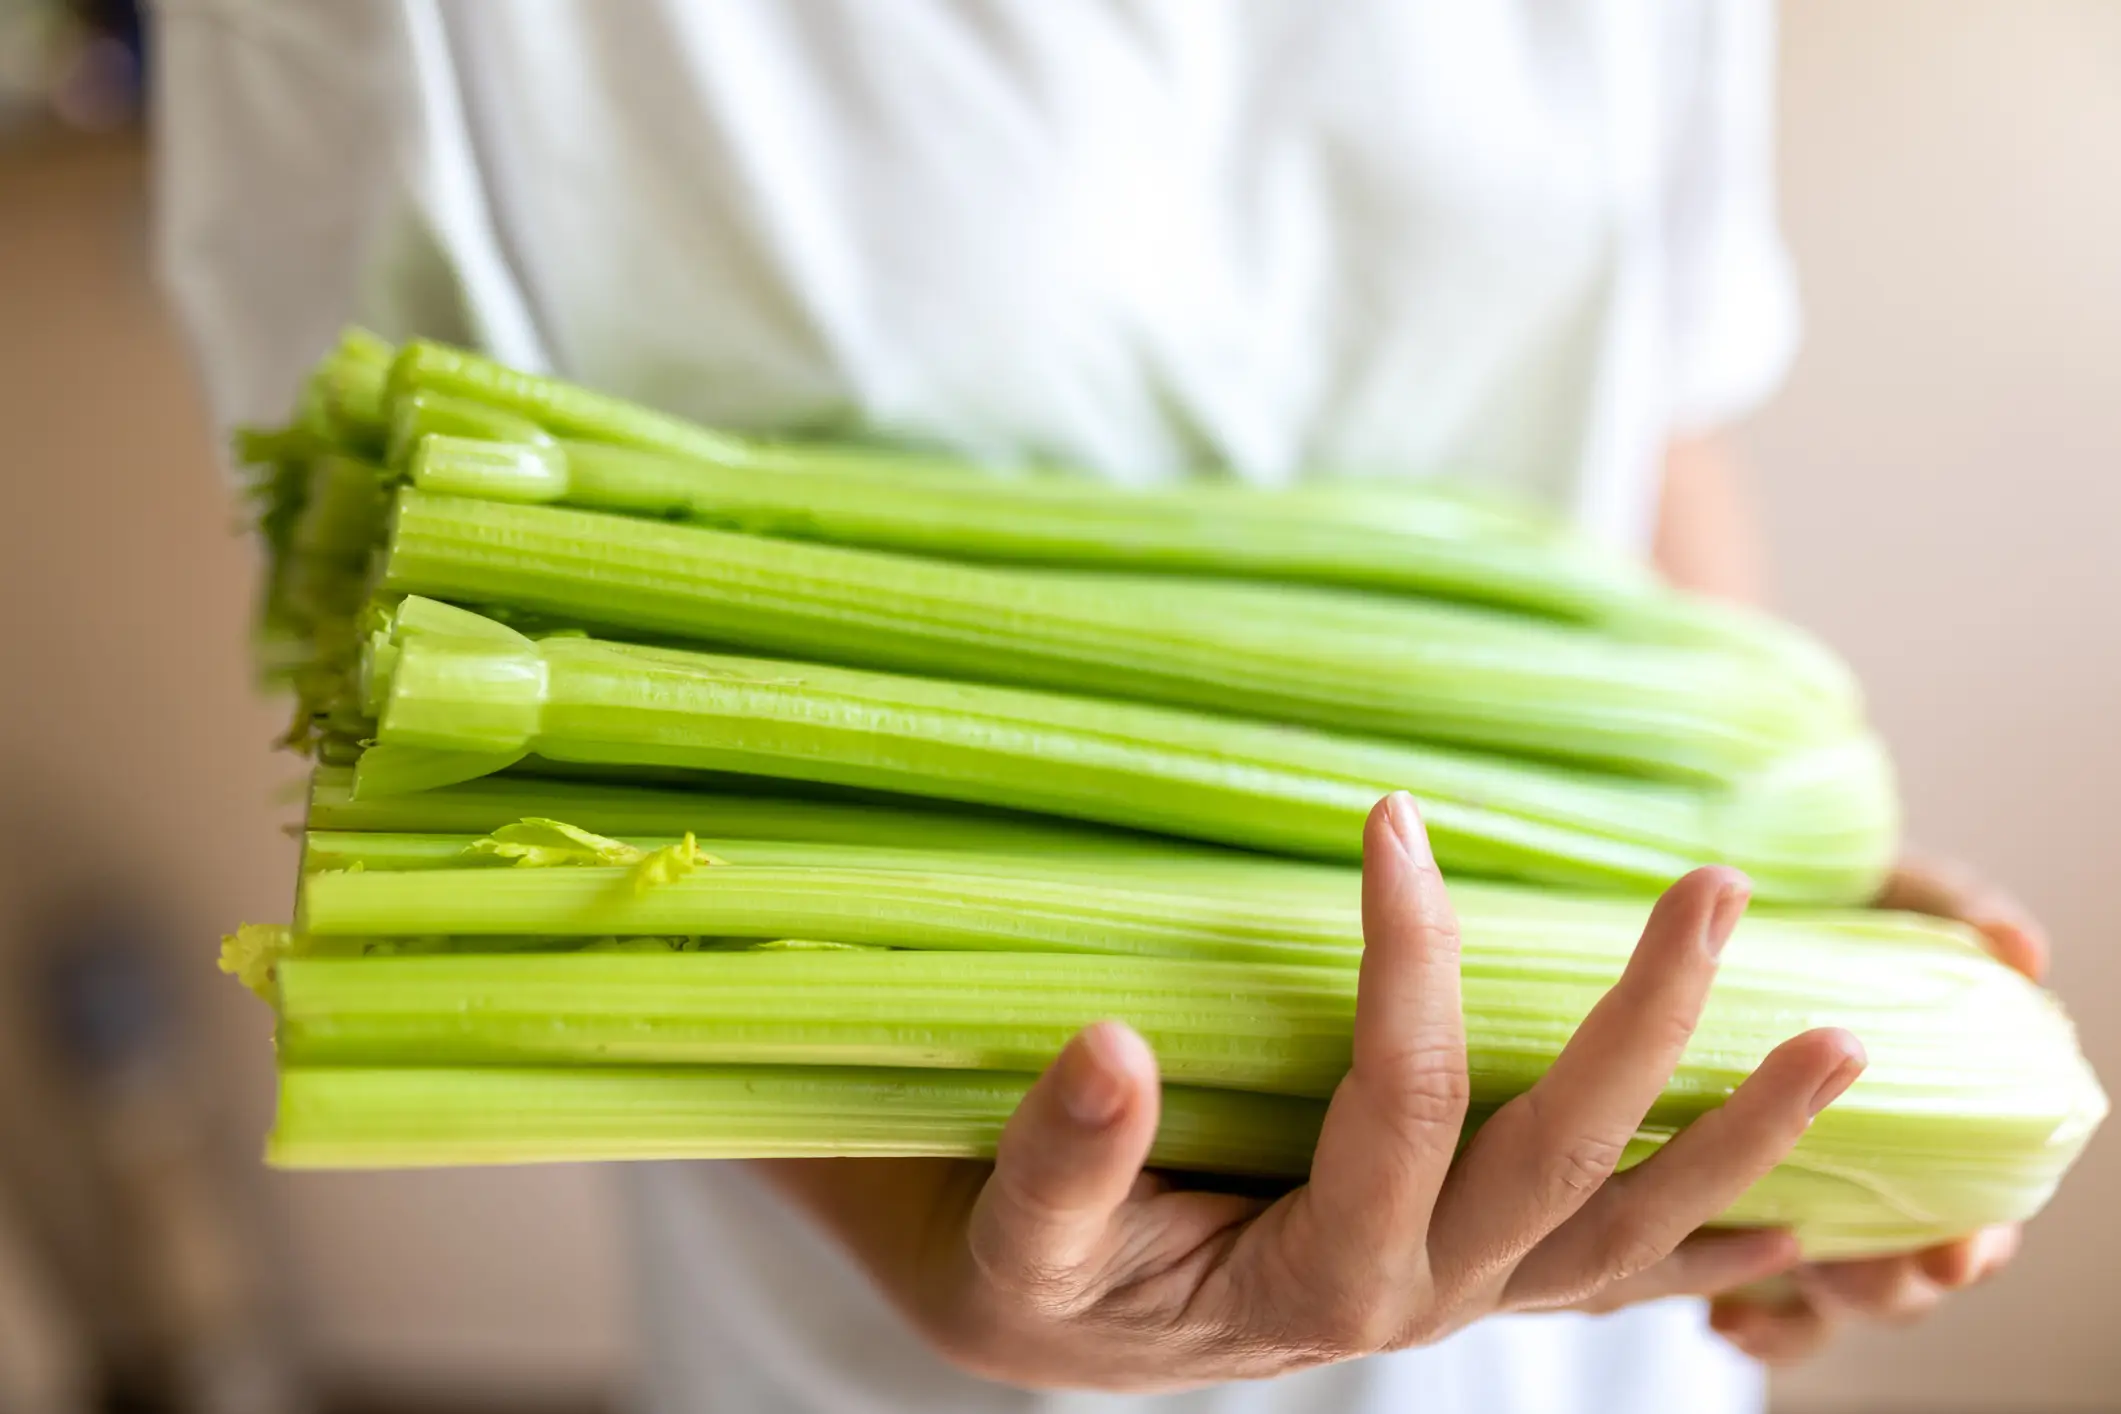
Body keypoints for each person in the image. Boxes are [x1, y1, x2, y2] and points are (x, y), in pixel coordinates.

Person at [152, 3, 2049, 1410]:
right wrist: (939, 1256)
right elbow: (398, 619)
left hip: (1588, 1334)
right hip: (917, 1316)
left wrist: (1762, 978)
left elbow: (1636, 406)